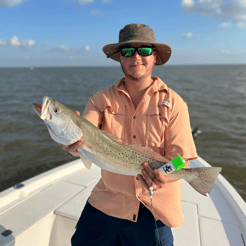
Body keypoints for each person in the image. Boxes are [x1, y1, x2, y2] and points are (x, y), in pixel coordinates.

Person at [60, 23, 198, 246]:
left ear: (154, 57)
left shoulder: (175, 104)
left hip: (154, 208)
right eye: (127, 51)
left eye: (144, 50)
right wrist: (72, 140)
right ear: (120, 58)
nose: (135, 57)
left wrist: (165, 173)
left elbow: (184, 159)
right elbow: (84, 134)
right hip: (107, 201)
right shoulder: (100, 100)